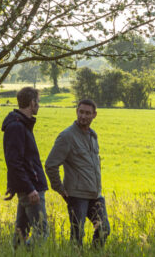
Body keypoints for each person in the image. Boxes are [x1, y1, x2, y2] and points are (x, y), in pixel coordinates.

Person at [45, 98, 110, 247]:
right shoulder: (67, 136)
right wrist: (60, 188)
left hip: (95, 194)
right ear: (76, 112)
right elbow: (50, 165)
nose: (83, 116)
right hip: (76, 195)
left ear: (94, 115)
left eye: (88, 113)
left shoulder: (93, 136)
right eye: (81, 112)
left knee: (104, 229)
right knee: (77, 235)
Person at [1, 86, 48, 248]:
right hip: (31, 188)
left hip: (27, 186)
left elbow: (16, 160)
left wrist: (14, 185)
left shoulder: (22, 124)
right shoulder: (16, 126)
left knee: (21, 230)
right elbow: (14, 161)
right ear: (32, 102)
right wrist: (29, 189)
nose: (39, 106)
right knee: (41, 232)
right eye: (38, 102)